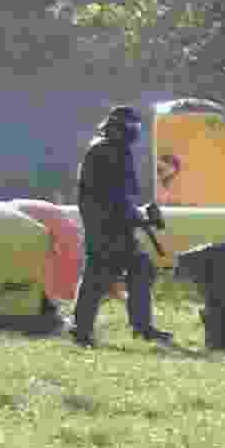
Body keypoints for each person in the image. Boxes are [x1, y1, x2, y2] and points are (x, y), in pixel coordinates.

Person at [70, 106, 170, 346]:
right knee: (98, 278)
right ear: (120, 128)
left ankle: (139, 327)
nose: (135, 132)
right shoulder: (106, 151)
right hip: (107, 228)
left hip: (113, 227)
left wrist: (139, 214)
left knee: (137, 270)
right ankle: (82, 330)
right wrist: (140, 217)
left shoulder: (112, 149)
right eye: (132, 127)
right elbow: (111, 197)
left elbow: (120, 196)